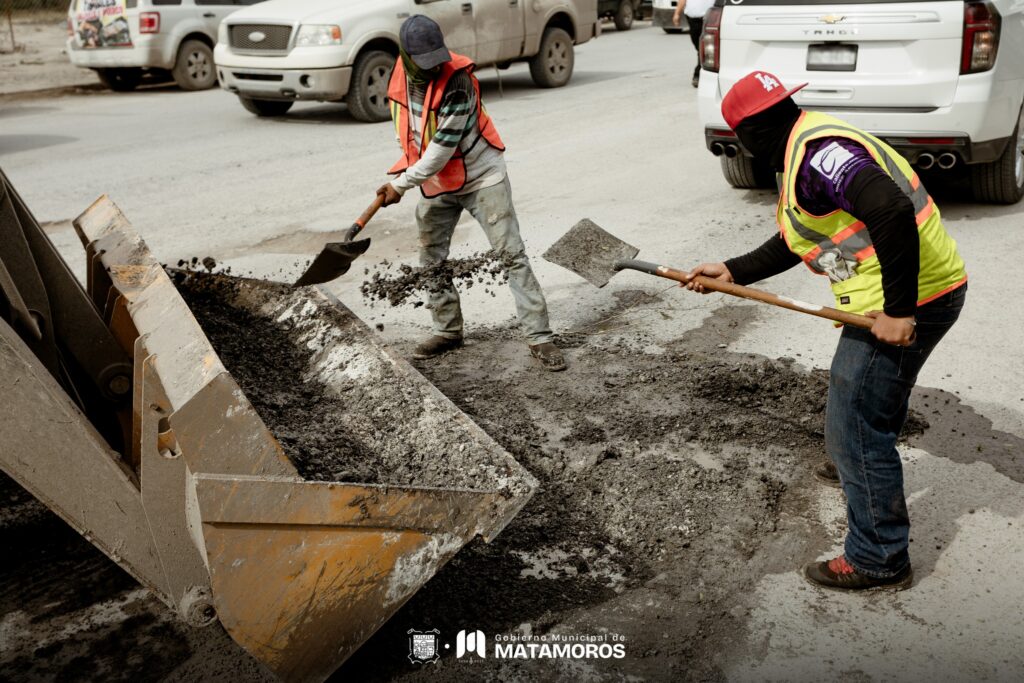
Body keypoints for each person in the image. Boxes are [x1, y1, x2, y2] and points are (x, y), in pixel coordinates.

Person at [685, 71, 967, 591]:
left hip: (913, 299)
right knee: (870, 405)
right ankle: (857, 464)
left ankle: (878, 556)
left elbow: (889, 207)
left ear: (749, 135)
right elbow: (802, 235)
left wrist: (899, 311)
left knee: (854, 420)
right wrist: (733, 269)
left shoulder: (819, 155)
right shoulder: (804, 145)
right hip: (924, 290)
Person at [376, 15, 565, 372]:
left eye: (437, 57)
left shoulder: (459, 83)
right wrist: (406, 170)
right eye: (424, 60)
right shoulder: (399, 75)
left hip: (481, 177)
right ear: (406, 55)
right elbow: (411, 132)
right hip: (436, 182)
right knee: (431, 258)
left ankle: (540, 336)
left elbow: (440, 151)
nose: (434, 67)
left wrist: (401, 185)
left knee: (511, 255)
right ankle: (447, 330)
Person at [672, 0, 715, 88]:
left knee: (703, 48)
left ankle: (698, 75)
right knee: (699, 47)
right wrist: (677, 13)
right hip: (692, 20)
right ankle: (703, 72)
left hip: (709, 19)